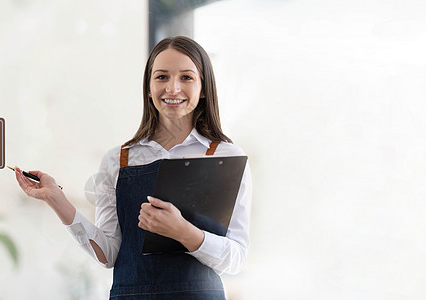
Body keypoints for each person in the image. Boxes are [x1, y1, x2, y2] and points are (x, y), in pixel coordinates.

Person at [14, 36, 252, 299]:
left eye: (186, 77)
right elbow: (108, 254)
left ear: (204, 88)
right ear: (148, 88)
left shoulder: (225, 156)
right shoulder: (119, 160)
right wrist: (56, 199)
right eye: (162, 77)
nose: (173, 88)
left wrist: (183, 231)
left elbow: (236, 258)